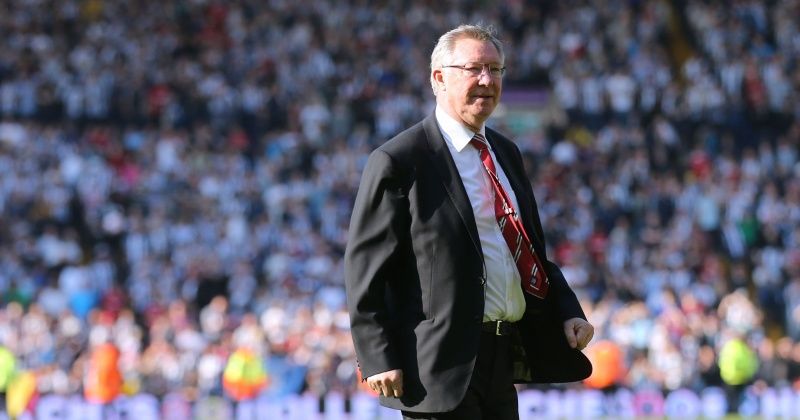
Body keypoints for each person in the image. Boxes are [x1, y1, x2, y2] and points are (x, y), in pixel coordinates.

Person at [345, 24, 595, 419]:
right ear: (439, 78)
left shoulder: (506, 154)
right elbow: (366, 271)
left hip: (501, 358)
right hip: (437, 368)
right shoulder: (400, 160)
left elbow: (524, 248)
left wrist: (567, 308)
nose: (487, 81)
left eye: (496, 70)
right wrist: (376, 356)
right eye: (474, 69)